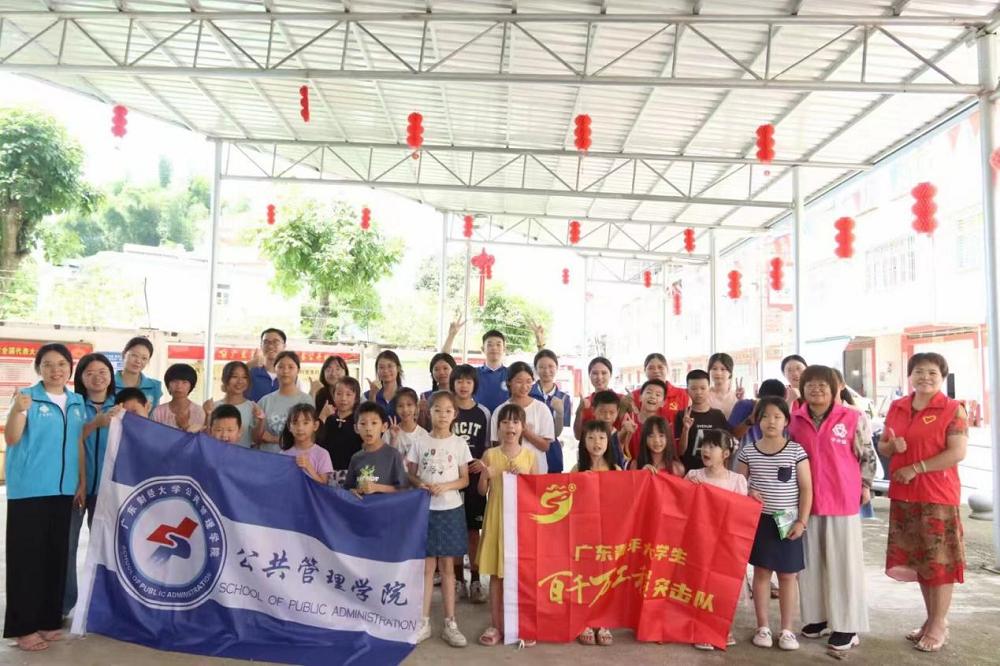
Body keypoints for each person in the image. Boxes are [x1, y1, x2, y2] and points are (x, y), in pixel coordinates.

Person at [880, 352, 968, 653]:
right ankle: (931, 620)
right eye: (919, 371)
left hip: (936, 496)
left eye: (932, 372)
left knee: (939, 562)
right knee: (921, 560)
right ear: (910, 375)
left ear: (942, 376)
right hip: (904, 494)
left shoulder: (953, 409)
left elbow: (957, 452)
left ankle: (940, 623)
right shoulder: (897, 407)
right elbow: (884, 445)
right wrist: (891, 446)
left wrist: (916, 468)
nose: (925, 377)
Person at [4, 343, 86, 652]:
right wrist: (18, 409)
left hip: (64, 490)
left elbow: (78, 443)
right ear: (39, 368)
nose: (56, 369)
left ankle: (47, 620)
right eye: (48, 364)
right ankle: (23, 627)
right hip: (30, 489)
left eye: (62, 363)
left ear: (70, 368)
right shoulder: (27, 396)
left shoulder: (76, 401)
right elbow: (12, 438)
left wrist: (81, 481)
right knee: (27, 560)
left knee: (56, 557)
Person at [788, 365, 876, 652]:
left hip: (842, 499)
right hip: (807, 503)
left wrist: (865, 485)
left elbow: (867, 455)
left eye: (822, 384)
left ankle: (847, 625)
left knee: (843, 564)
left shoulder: (852, 417)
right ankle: (818, 618)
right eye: (810, 384)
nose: (816, 389)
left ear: (835, 387)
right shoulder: (795, 420)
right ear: (802, 389)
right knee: (810, 563)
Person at [738, 397, 812, 652]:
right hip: (759, 521)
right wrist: (749, 492)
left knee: (788, 576)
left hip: (788, 519)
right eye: (766, 416)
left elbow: (806, 488)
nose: (771, 421)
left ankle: (787, 630)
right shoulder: (748, 451)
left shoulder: (796, 451)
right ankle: (763, 627)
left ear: (786, 421)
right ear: (758, 421)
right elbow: (739, 485)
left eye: (777, 417)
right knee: (761, 574)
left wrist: (802, 521)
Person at [407, 392, 471, 647]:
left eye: (447, 410)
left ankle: (450, 623)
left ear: (455, 414)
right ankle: (423, 622)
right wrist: (420, 484)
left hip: (450, 509)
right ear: (428, 412)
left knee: (447, 568)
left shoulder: (459, 444)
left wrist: (446, 486)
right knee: (426, 568)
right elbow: (410, 474)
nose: (442, 415)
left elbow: (465, 479)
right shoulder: (419, 441)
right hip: (424, 510)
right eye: (437, 410)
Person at [476, 404, 538, 646]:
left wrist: (525, 477)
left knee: (521, 575)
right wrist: (484, 477)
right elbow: (482, 491)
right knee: (496, 575)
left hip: (521, 524)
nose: (510, 427)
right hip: (496, 519)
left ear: (523, 427)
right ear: (498, 427)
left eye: (515, 422)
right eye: (505, 422)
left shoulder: (530, 457)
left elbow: (538, 494)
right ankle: (496, 625)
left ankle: (522, 626)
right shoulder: (490, 455)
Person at [65, 353, 120, 617]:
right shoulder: (73, 405)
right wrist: (94, 424)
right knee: (67, 546)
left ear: (111, 376)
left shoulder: (121, 405)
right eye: (90, 373)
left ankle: (103, 605)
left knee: (107, 549)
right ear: (81, 378)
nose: (97, 377)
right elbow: (69, 438)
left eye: (102, 372)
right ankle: (64, 605)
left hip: (109, 490)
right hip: (75, 487)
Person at [685, 429, 747, 650]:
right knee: (700, 584)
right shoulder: (694, 475)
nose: (706, 450)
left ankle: (722, 628)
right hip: (700, 542)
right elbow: (681, 507)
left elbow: (742, 513)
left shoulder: (737, 480)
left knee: (723, 586)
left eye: (713, 446)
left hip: (725, 544)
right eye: (704, 445)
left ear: (726, 453)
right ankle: (701, 629)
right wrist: (689, 489)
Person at [570, 419, 618, 647]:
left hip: (609, 533)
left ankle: (604, 622)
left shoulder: (616, 470)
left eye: (601, 437)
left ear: (608, 442)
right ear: (583, 442)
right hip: (584, 534)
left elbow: (625, 500)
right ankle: (585, 622)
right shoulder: (576, 469)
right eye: (590, 437)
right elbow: (567, 501)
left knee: (606, 577)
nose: (596, 442)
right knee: (585, 578)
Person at [449, 364, 491, 604]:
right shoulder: (448, 409)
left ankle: (475, 579)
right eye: (459, 381)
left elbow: (488, 446)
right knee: (454, 530)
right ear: (453, 383)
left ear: (474, 384)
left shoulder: (483, 412)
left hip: (474, 479)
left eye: (468, 381)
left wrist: (481, 461)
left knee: (473, 531)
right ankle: (458, 580)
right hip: (451, 478)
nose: (463, 386)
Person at [489, 362, 553, 473]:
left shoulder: (541, 408)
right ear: (509, 382)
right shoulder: (500, 410)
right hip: (506, 470)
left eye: (528, 381)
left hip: (535, 472)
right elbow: (496, 444)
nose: (524, 386)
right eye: (519, 382)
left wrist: (525, 431)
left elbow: (545, 446)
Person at [442, 322, 510, 414]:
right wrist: (451, 335)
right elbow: (444, 361)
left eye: (498, 344)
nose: (494, 348)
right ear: (482, 349)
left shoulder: (511, 374)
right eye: (489, 344)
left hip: (505, 420)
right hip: (477, 418)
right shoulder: (473, 373)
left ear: (504, 349)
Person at [346, 401, 409, 497]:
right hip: (362, 506)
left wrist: (377, 487)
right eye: (363, 423)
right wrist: (352, 491)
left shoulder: (393, 455)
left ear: (384, 427)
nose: (368, 428)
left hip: (385, 506)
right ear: (356, 428)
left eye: (374, 423)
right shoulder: (356, 458)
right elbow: (348, 488)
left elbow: (403, 490)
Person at [675, 370, 730, 474]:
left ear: (709, 389)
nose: (698, 392)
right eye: (693, 388)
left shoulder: (718, 415)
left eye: (703, 388)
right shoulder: (682, 415)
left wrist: (725, 472)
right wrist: (686, 429)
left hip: (714, 473)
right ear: (687, 391)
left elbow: (725, 448)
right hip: (689, 472)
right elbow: (680, 452)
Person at [256, 351, 312, 453]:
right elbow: (257, 436)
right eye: (281, 367)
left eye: (291, 367)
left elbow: (308, 436)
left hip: (296, 458)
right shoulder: (265, 401)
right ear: (275, 369)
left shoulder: (306, 400)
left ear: (298, 370)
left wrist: (273, 439)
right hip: (268, 457)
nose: (285, 371)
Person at [204, 360, 264, 448]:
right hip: (217, 455)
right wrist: (207, 415)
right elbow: (206, 438)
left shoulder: (253, 408)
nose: (240, 381)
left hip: (242, 455)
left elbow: (256, 440)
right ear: (225, 379)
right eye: (235, 376)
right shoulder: (213, 407)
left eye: (244, 377)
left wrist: (261, 421)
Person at [529, 349, 571, 474]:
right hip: (528, 449)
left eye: (550, 366)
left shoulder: (564, 398)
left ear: (557, 367)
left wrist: (560, 413)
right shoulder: (527, 393)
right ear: (536, 369)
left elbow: (557, 433)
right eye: (541, 367)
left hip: (552, 453)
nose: (546, 371)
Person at [318, 376, 363, 487]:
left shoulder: (360, 421)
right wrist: (323, 417)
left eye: (348, 394)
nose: (343, 398)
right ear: (333, 396)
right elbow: (315, 441)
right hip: (326, 473)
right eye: (339, 394)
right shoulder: (327, 418)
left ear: (356, 397)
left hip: (352, 474)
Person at [629, 353, 689, 427]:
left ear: (667, 370)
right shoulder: (634, 396)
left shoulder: (683, 394)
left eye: (660, 367)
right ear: (645, 371)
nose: (656, 371)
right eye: (651, 368)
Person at [280, 404, 332, 485]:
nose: (300, 428)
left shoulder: (322, 454)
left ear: (315, 426)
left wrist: (309, 467)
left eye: (305, 423)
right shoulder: (283, 455)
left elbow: (323, 485)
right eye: (295, 423)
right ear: (289, 426)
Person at [573, 356, 621, 439]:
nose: (599, 377)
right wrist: (579, 410)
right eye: (595, 373)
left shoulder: (621, 400)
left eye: (604, 373)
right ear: (589, 375)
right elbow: (578, 436)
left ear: (610, 374)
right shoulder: (585, 403)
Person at [620, 379, 667, 462]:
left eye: (658, 394)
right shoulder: (626, 420)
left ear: (663, 403)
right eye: (649, 392)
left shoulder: (664, 425)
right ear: (640, 398)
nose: (652, 396)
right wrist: (623, 434)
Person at [151, 363, 204, 432]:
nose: (179, 386)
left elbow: (201, 436)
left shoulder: (199, 411)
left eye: (184, 382)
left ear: (191, 386)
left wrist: (185, 426)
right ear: (168, 384)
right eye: (174, 381)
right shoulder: (158, 411)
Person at [114, 336, 163, 409]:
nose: (138, 361)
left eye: (144, 358)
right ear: (124, 354)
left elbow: (155, 414)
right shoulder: (108, 383)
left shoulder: (154, 386)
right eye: (134, 355)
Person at [246, 328, 288, 402]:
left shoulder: (290, 375)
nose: (270, 346)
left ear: (284, 346)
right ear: (261, 346)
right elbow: (226, 388)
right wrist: (247, 366)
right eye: (266, 342)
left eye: (275, 342)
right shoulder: (250, 371)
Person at [385, 388, 426, 459]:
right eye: (400, 406)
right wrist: (393, 439)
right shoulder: (388, 434)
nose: (405, 410)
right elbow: (385, 461)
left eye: (409, 405)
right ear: (395, 409)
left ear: (416, 406)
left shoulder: (423, 434)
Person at [364, 350, 405, 420]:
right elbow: (367, 420)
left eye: (390, 366)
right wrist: (372, 395)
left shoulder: (407, 395)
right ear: (377, 370)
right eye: (381, 367)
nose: (386, 371)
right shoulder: (366, 396)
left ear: (398, 369)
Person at [592, 390, 627, 469]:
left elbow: (622, 437)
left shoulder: (618, 435)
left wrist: (626, 430)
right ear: (593, 411)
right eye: (603, 412)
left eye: (612, 412)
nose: (607, 416)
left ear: (617, 412)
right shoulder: (588, 433)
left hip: (615, 474)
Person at [707, 352, 744, 419]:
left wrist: (741, 401)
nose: (718, 373)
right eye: (714, 369)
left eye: (723, 369)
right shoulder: (704, 395)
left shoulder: (737, 396)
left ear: (730, 373)